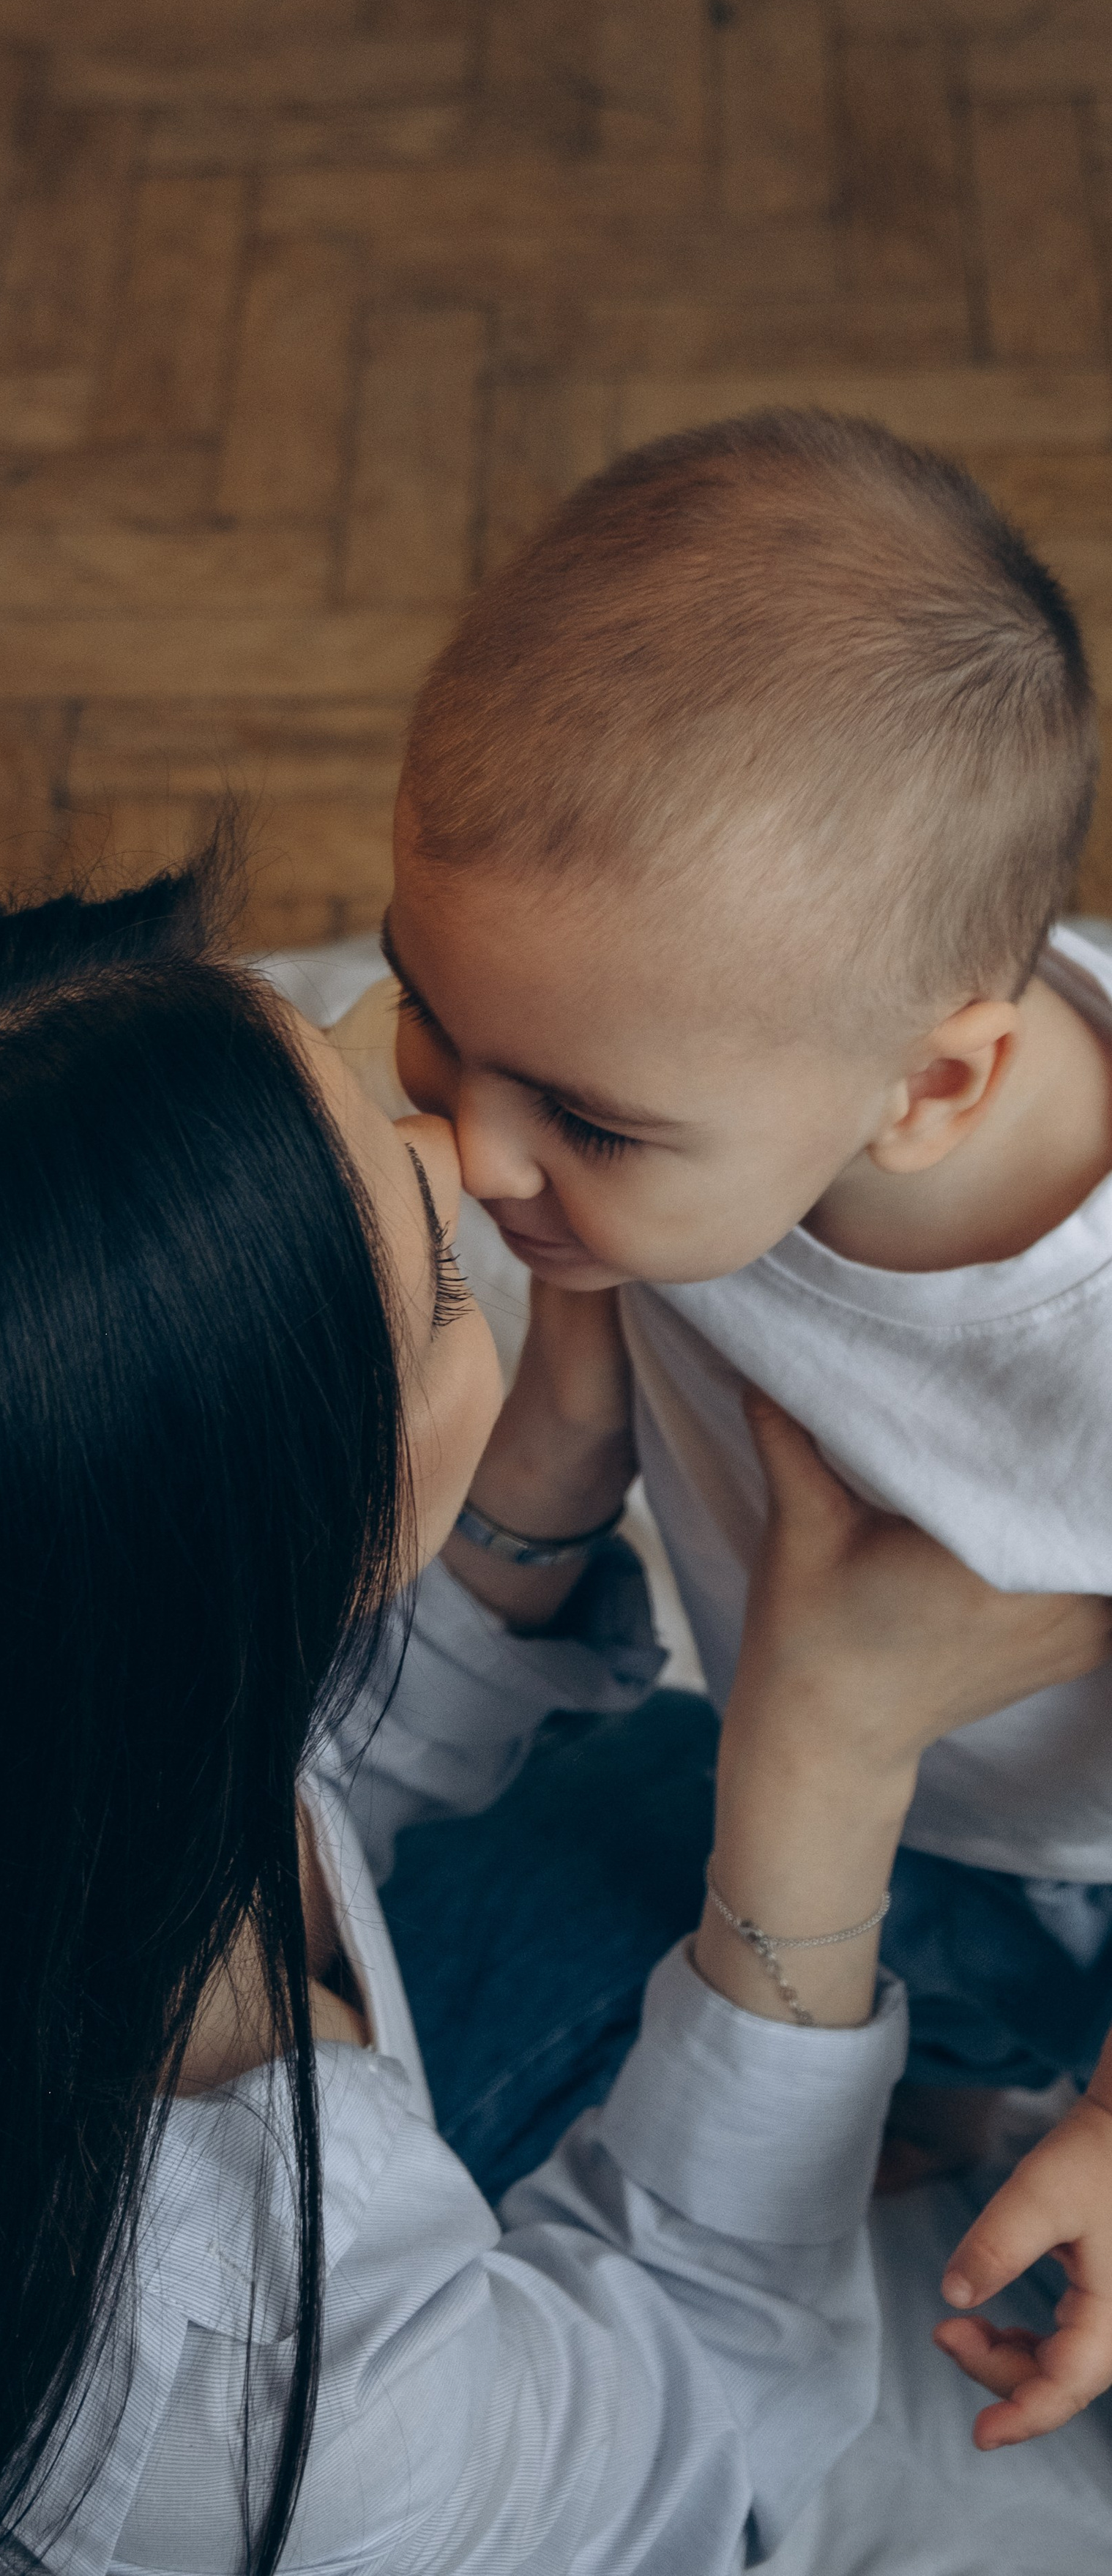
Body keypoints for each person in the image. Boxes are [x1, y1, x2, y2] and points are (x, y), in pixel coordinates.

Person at [0, 860, 1108, 2576]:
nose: (467, 1160)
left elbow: (326, 1763)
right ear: (243, 1584)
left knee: (695, 1812)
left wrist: (530, 1479)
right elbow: (696, 2412)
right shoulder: (257, 2396)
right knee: (743, 1828)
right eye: (436, 1288)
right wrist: (828, 1756)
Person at [378, 406, 1112, 2447]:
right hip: (804, 1788)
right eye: (429, 1006)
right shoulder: (735, 1020)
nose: (467, 1146)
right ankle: (936, 2089)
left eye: (586, 1122)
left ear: (934, 1092)